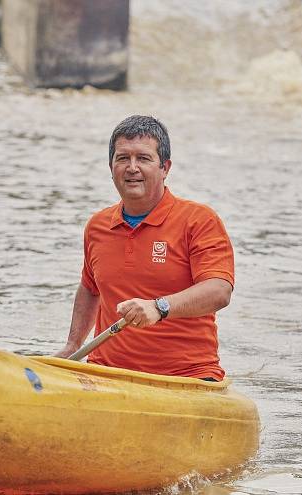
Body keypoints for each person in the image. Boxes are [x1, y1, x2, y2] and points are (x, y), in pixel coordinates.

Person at [55, 115, 234, 381]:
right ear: (111, 166)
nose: (132, 167)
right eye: (123, 158)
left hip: (186, 378)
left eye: (144, 158)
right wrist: (73, 345)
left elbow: (219, 291)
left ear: (165, 168)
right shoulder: (97, 226)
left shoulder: (199, 220)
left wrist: (159, 308)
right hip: (106, 373)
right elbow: (90, 288)